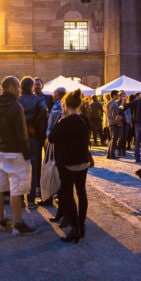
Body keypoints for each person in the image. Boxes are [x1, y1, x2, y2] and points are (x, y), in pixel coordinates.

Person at [0, 76, 37, 235]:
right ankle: (18, 224)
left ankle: (1, 221)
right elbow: (22, 134)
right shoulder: (16, 107)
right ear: (11, 88)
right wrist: (27, 154)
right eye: (18, 87)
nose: (20, 90)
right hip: (16, 152)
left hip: (1, 152)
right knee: (16, 189)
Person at [49, 89, 92, 243]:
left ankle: (74, 229)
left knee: (67, 194)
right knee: (81, 192)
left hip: (69, 163)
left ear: (65, 105)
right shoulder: (84, 119)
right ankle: (81, 225)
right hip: (83, 161)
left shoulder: (65, 122)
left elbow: (51, 137)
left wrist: (60, 120)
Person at [18, 76, 48, 207]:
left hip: (20, 137)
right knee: (34, 168)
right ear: (31, 86)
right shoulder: (37, 99)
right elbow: (44, 110)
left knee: (19, 168)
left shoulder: (17, 100)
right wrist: (36, 123)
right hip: (33, 136)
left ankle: (19, 198)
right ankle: (30, 199)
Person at [44, 86, 66, 213]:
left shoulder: (58, 107)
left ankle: (53, 196)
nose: (52, 96)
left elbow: (52, 126)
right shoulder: (63, 105)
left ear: (57, 95)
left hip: (54, 142)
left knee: (53, 169)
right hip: (61, 143)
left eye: (54, 94)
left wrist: (49, 138)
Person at [105, 90, 121, 159]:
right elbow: (115, 115)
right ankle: (112, 155)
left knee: (112, 139)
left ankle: (109, 154)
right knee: (114, 139)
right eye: (117, 95)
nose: (118, 96)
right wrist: (118, 122)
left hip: (110, 122)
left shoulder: (108, 103)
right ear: (114, 95)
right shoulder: (114, 104)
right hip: (114, 123)